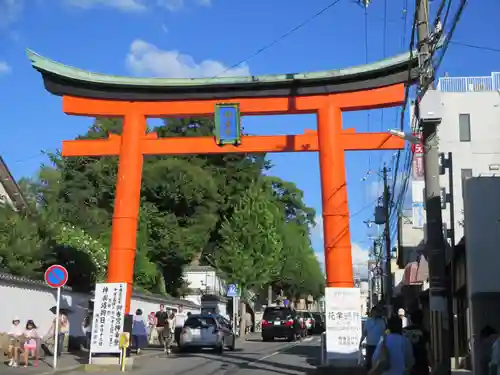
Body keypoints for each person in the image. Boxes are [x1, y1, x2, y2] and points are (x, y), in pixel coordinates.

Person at [404, 310, 431, 375]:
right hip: (422, 364)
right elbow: (428, 349)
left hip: (408, 364)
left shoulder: (404, 331)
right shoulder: (424, 332)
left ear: (411, 319)